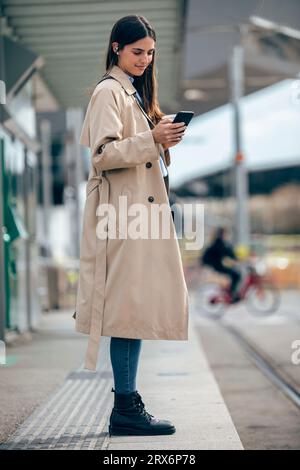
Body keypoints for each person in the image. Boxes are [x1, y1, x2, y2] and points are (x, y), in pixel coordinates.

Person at [73, 15, 189, 437]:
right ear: (118, 48)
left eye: (150, 53)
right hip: (121, 219)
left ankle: (128, 403)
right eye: (137, 51)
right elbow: (102, 155)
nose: (145, 59)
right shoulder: (109, 92)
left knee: (134, 308)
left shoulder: (133, 94)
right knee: (126, 310)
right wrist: (152, 139)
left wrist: (162, 138)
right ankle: (124, 407)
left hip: (133, 217)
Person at [201, 227, 242, 303]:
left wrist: (235, 259)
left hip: (217, 265)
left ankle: (230, 292)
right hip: (216, 266)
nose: (227, 236)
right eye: (226, 234)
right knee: (237, 275)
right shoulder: (219, 243)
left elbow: (229, 252)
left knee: (234, 272)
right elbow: (228, 252)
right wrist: (236, 259)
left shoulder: (219, 242)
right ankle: (232, 295)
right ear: (222, 234)